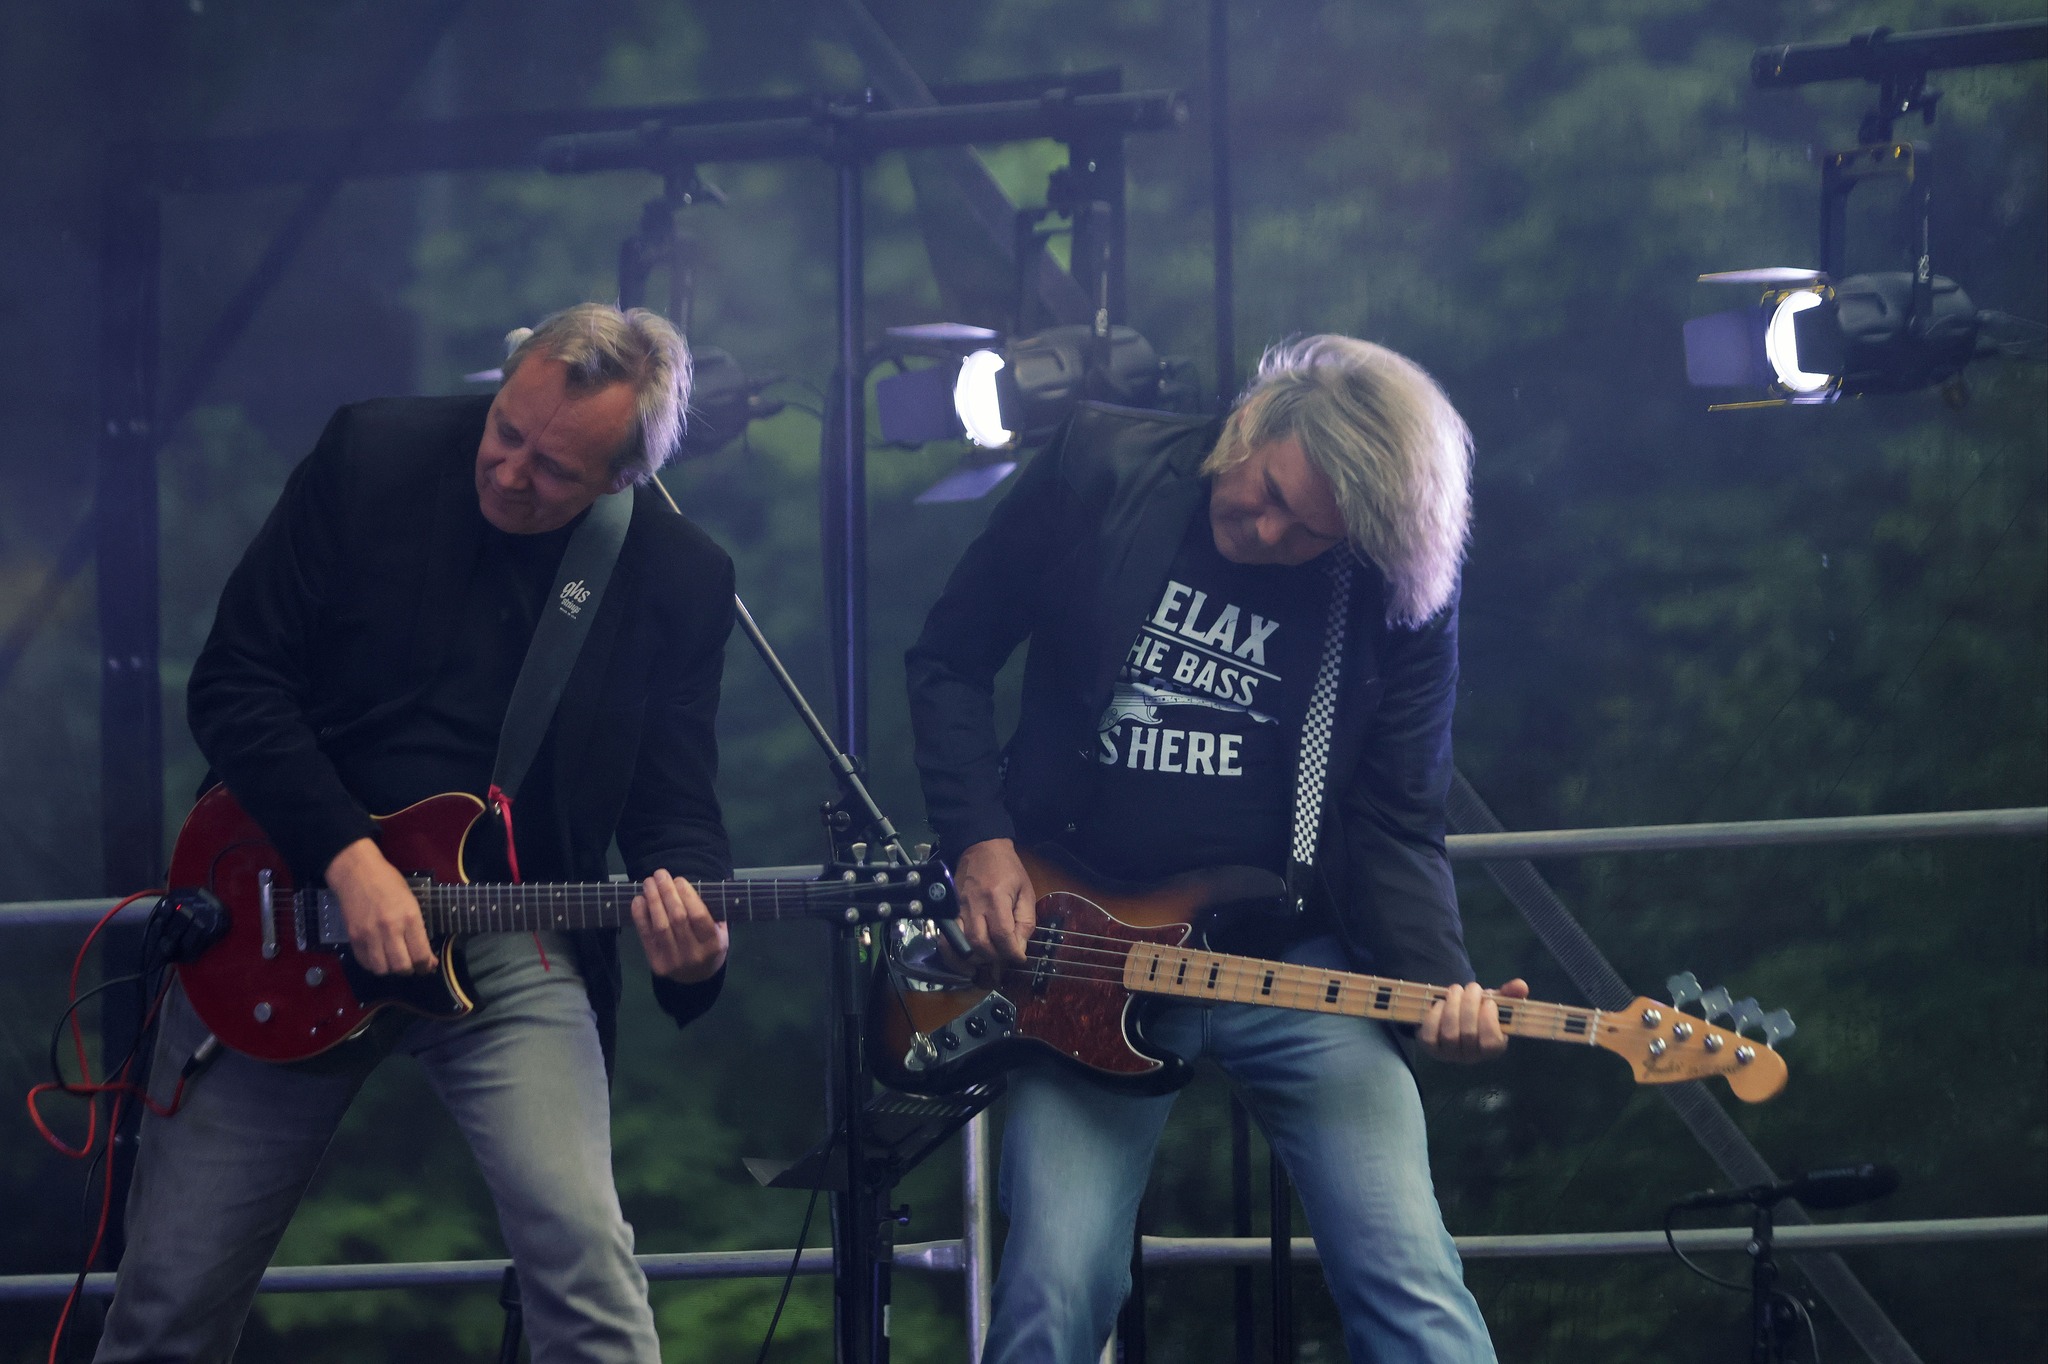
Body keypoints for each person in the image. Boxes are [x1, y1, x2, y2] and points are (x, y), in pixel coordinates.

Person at [97, 303, 736, 1364]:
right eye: (506, 430)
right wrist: (347, 858)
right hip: (285, 902)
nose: (511, 472)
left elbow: (674, 804)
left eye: (554, 469)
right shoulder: (372, 453)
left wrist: (698, 931)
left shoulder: (676, 575)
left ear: (624, 477)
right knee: (169, 1298)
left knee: (588, 1272)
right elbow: (236, 681)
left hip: (507, 931)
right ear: (506, 378)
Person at [906, 335, 1524, 1362]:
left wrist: (1439, 988)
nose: (1268, 530)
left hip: (1291, 959)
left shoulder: (1392, 581)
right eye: (1268, 493)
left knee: (1409, 1276)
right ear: (1251, 423)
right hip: (1081, 951)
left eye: (1307, 532)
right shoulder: (1098, 469)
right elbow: (950, 658)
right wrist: (979, 837)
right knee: (1054, 1284)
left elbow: (1396, 818)